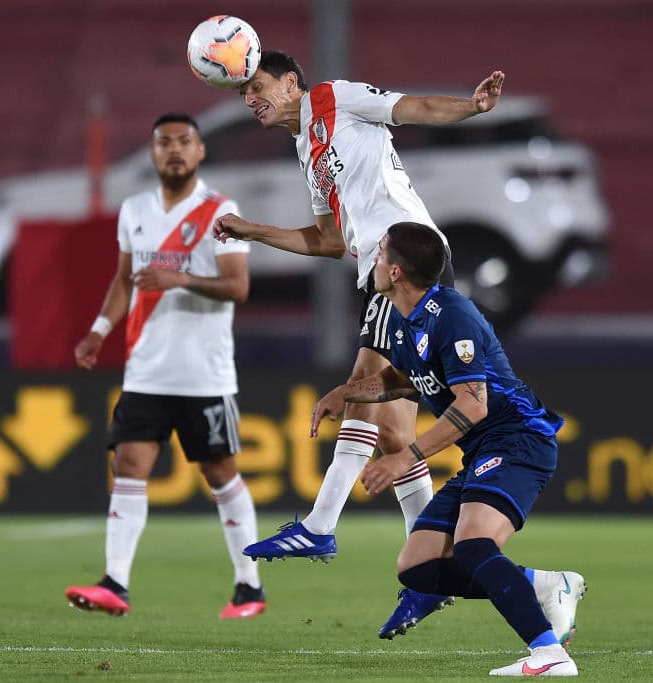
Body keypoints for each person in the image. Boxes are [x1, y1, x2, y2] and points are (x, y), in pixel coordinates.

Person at [212, 50, 512, 638]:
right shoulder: (307, 150)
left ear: (292, 82)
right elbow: (326, 241)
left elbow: (413, 106)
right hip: (376, 270)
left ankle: (321, 523)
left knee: (360, 396)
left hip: (407, 256)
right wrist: (252, 231)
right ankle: (427, 574)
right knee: (394, 433)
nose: (249, 98)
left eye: (258, 84)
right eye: (242, 91)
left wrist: (471, 108)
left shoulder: (335, 97)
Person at [311, 222, 584, 674]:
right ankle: (545, 586)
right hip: (481, 451)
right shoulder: (401, 317)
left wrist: (404, 456)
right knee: (419, 570)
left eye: (379, 254)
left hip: (517, 438)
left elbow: (473, 406)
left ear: (396, 271)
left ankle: (549, 654)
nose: (373, 260)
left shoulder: (452, 314)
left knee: (474, 545)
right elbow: (403, 378)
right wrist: (348, 392)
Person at [64, 113, 266, 620]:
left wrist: (178, 280)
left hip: (205, 374)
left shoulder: (221, 211)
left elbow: (238, 287)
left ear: (201, 152)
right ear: (152, 153)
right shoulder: (133, 209)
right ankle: (115, 583)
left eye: (184, 142)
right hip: (146, 371)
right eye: (163, 143)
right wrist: (98, 329)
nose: (173, 150)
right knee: (127, 466)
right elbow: (124, 281)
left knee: (220, 475)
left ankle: (249, 587)